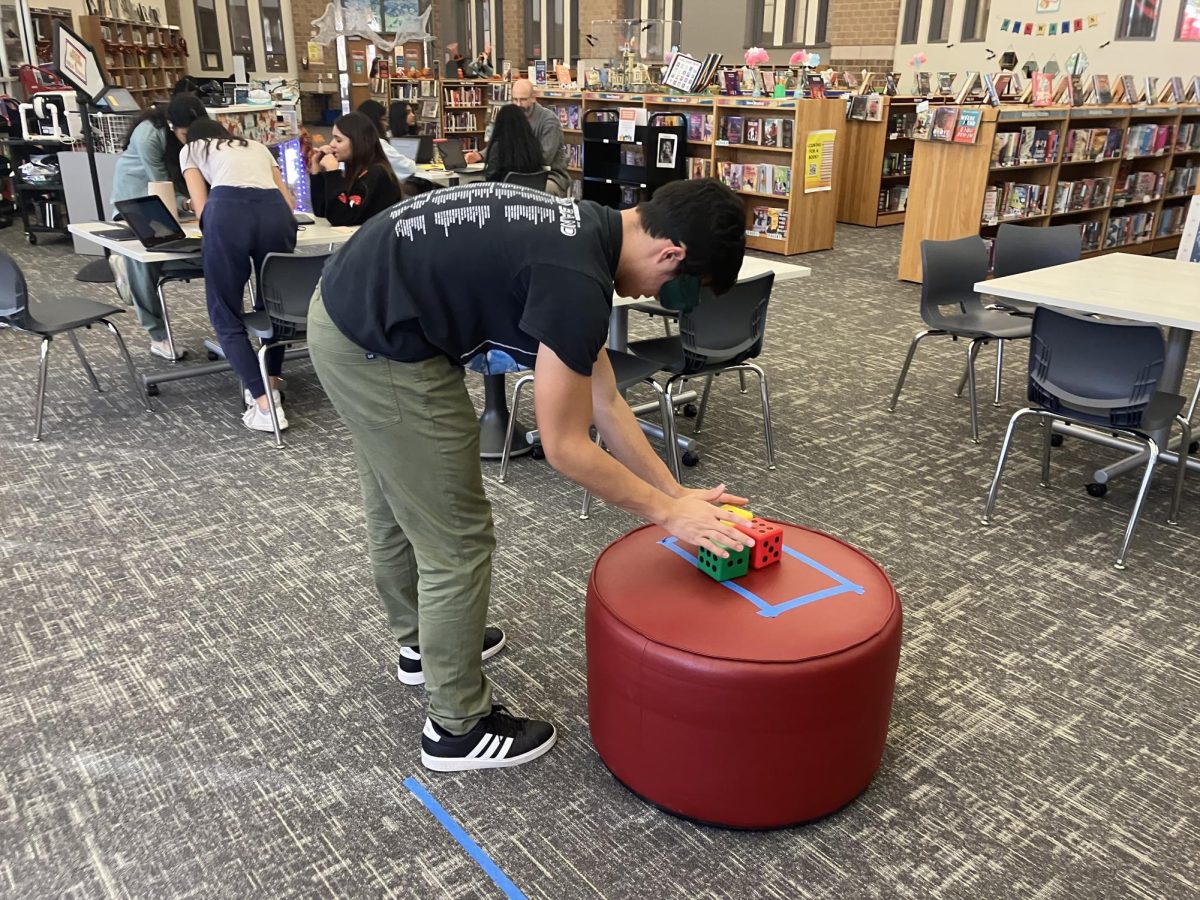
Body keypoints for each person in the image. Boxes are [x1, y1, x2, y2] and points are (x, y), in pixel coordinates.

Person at [306, 179, 751, 772]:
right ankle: (456, 728)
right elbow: (566, 447)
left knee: (400, 501)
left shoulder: (589, 229)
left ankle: (423, 647)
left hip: (351, 312)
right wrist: (667, 515)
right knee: (456, 540)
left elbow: (605, 401)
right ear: (671, 254)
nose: (663, 299)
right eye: (679, 292)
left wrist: (675, 492)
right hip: (378, 345)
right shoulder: (577, 282)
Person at [180, 118, 298, 433]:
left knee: (225, 313)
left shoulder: (191, 149)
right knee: (274, 307)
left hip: (227, 212)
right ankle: (271, 383)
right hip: (275, 213)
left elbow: (203, 208)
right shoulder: (258, 147)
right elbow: (289, 202)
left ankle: (262, 403)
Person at [109, 94, 208, 360]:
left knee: (206, 249)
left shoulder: (197, 134)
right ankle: (158, 336)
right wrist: (190, 202)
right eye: (186, 134)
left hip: (175, 199)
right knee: (145, 258)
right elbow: (160, 187)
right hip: (138, 199)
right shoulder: (149, 135)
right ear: (171, 124)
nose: (191, 140)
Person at [466, 79, 569, 196]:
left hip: (548, 177)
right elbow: (501, 142)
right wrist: (481, 155)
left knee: (515, 192)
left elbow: (544, 159)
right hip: (516, 176)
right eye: (515, 99)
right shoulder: (511, 117)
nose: (518, 104)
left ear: (533, 97)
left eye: (523, 99)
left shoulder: (549, 121)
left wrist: (513, 157)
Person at [309, 112, 403, 226]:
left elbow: (340, 218)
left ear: (357, 142)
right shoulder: (356, 171)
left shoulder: (376, 173)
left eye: (339, 140)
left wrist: (333, 173)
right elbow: (321, 211)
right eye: (333, 138)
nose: (331, 144)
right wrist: (317, 170)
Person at [356, 99, 419, 184]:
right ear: (374, 121)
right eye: (384, 119)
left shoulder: (357, 142)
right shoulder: (379, 144)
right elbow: (409, 168)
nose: (387, 124)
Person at [483, 104, 545, 184]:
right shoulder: (532, 144)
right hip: (530, 193)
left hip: (505, 193)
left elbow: (491, 177)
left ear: (499, 123)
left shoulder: (498, 147)